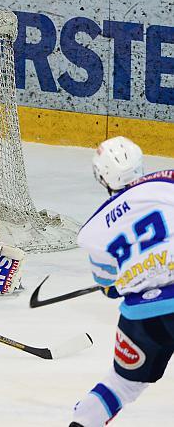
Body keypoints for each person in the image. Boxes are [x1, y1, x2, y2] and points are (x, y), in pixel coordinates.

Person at [70, 136, 174, 426]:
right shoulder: (167, 184)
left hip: (142, 316)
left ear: (101, 176)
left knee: (121, 385)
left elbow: (108, 286)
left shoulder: (93, 231)